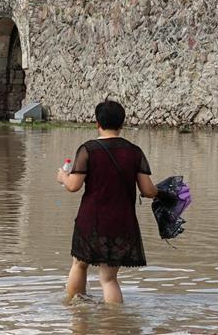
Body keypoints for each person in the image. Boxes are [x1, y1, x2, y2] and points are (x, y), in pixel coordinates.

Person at [57, 99, 163, 304]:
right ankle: (114, 319)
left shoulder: (88, 150)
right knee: (109, 279)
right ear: (122, 124)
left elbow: (73, 186)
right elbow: (148, 190)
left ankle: (75, 311)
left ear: (97, 123)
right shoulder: (134, 152)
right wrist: (164, 193)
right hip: (121, 221)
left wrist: (62, 176)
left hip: (91, 219)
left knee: (79, 265)